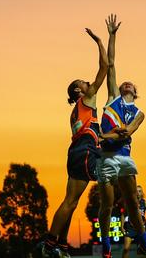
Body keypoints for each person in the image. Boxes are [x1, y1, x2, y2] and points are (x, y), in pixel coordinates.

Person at [40, 27, 108, 258]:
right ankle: (49, 245)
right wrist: (99, 41)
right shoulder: (87, 100)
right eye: (85, 82)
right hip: (85, 151)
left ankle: (60, 244)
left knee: (71, 201)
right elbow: (104, 69)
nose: (90, 83)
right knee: (73, 200)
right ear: (79, 90)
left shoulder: (76, 112)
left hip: (76, 152)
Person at [96, 14, 146, 258]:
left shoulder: (139, 113)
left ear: (135, 92)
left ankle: (144, 242)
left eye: (131, 84)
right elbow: (111, 64)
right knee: (107, 205)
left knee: (133, 202)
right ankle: (108, 247)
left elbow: (127, 133)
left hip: (123, 156)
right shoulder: (113, 98)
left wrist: (107, 134)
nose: (127, 83)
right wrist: (112, 36)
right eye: (125, 83)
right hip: (106, 159)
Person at [121, 185, 146, 258]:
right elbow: (123, 214)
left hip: (141, 228)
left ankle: (141, 249)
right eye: (136, 191)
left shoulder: (145, 203)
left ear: (142, 193)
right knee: (126, 249)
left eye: (140, 191)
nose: (138, 193)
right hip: (130, 228)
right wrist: (121, 227)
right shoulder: (129, 202)